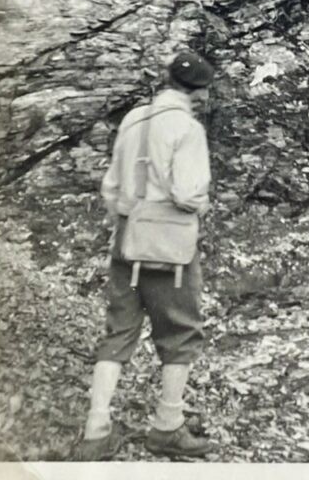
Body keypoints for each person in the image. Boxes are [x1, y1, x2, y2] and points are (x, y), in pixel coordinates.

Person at [74, 50, 214, 461]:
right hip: (171, 249)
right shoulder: (187, 128)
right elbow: (189, 194)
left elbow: (111, 187)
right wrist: (200, 205)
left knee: (118, 332)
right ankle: (167, 426)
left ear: (166, 78)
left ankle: (96, 429)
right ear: (199, 93)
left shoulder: (135, 118)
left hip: (127, 237)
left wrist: (128, 218)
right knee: (181, 335)